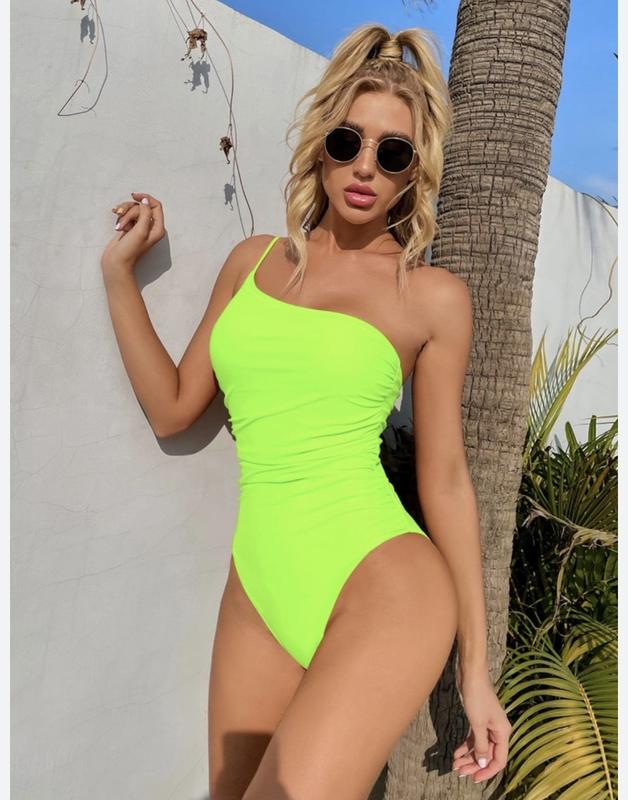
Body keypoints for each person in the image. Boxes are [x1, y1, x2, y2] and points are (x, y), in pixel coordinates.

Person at [100, 22, 511, 800]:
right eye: (348, 141)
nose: (366, 166)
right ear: (322, 144)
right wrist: (121, 276)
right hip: (259, 581)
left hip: (386, 581)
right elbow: (174, 409)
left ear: (414, 173)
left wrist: (475, 671)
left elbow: (447, 481)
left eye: (394, 153)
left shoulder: (432, 297)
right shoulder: (251, 262)